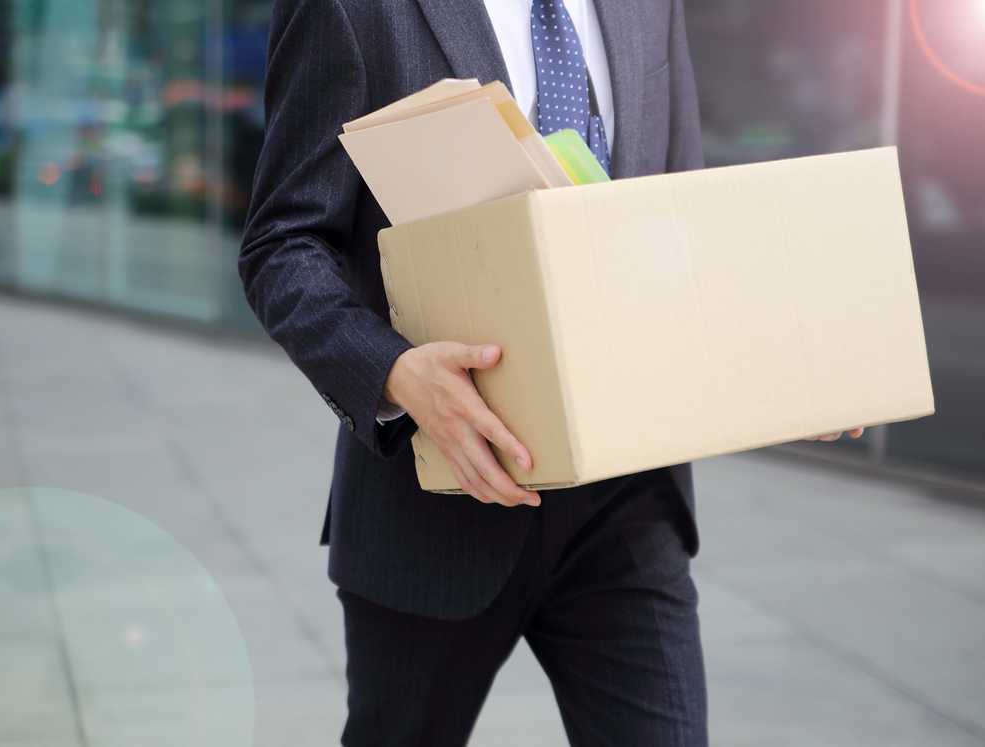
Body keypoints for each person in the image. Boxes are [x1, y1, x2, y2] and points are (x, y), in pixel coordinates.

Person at [239, 1, 862, 744]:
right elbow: (282, 242)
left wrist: (783, 365)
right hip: (434, 506)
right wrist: (395, 372)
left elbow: (679, 220)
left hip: (626, 504)